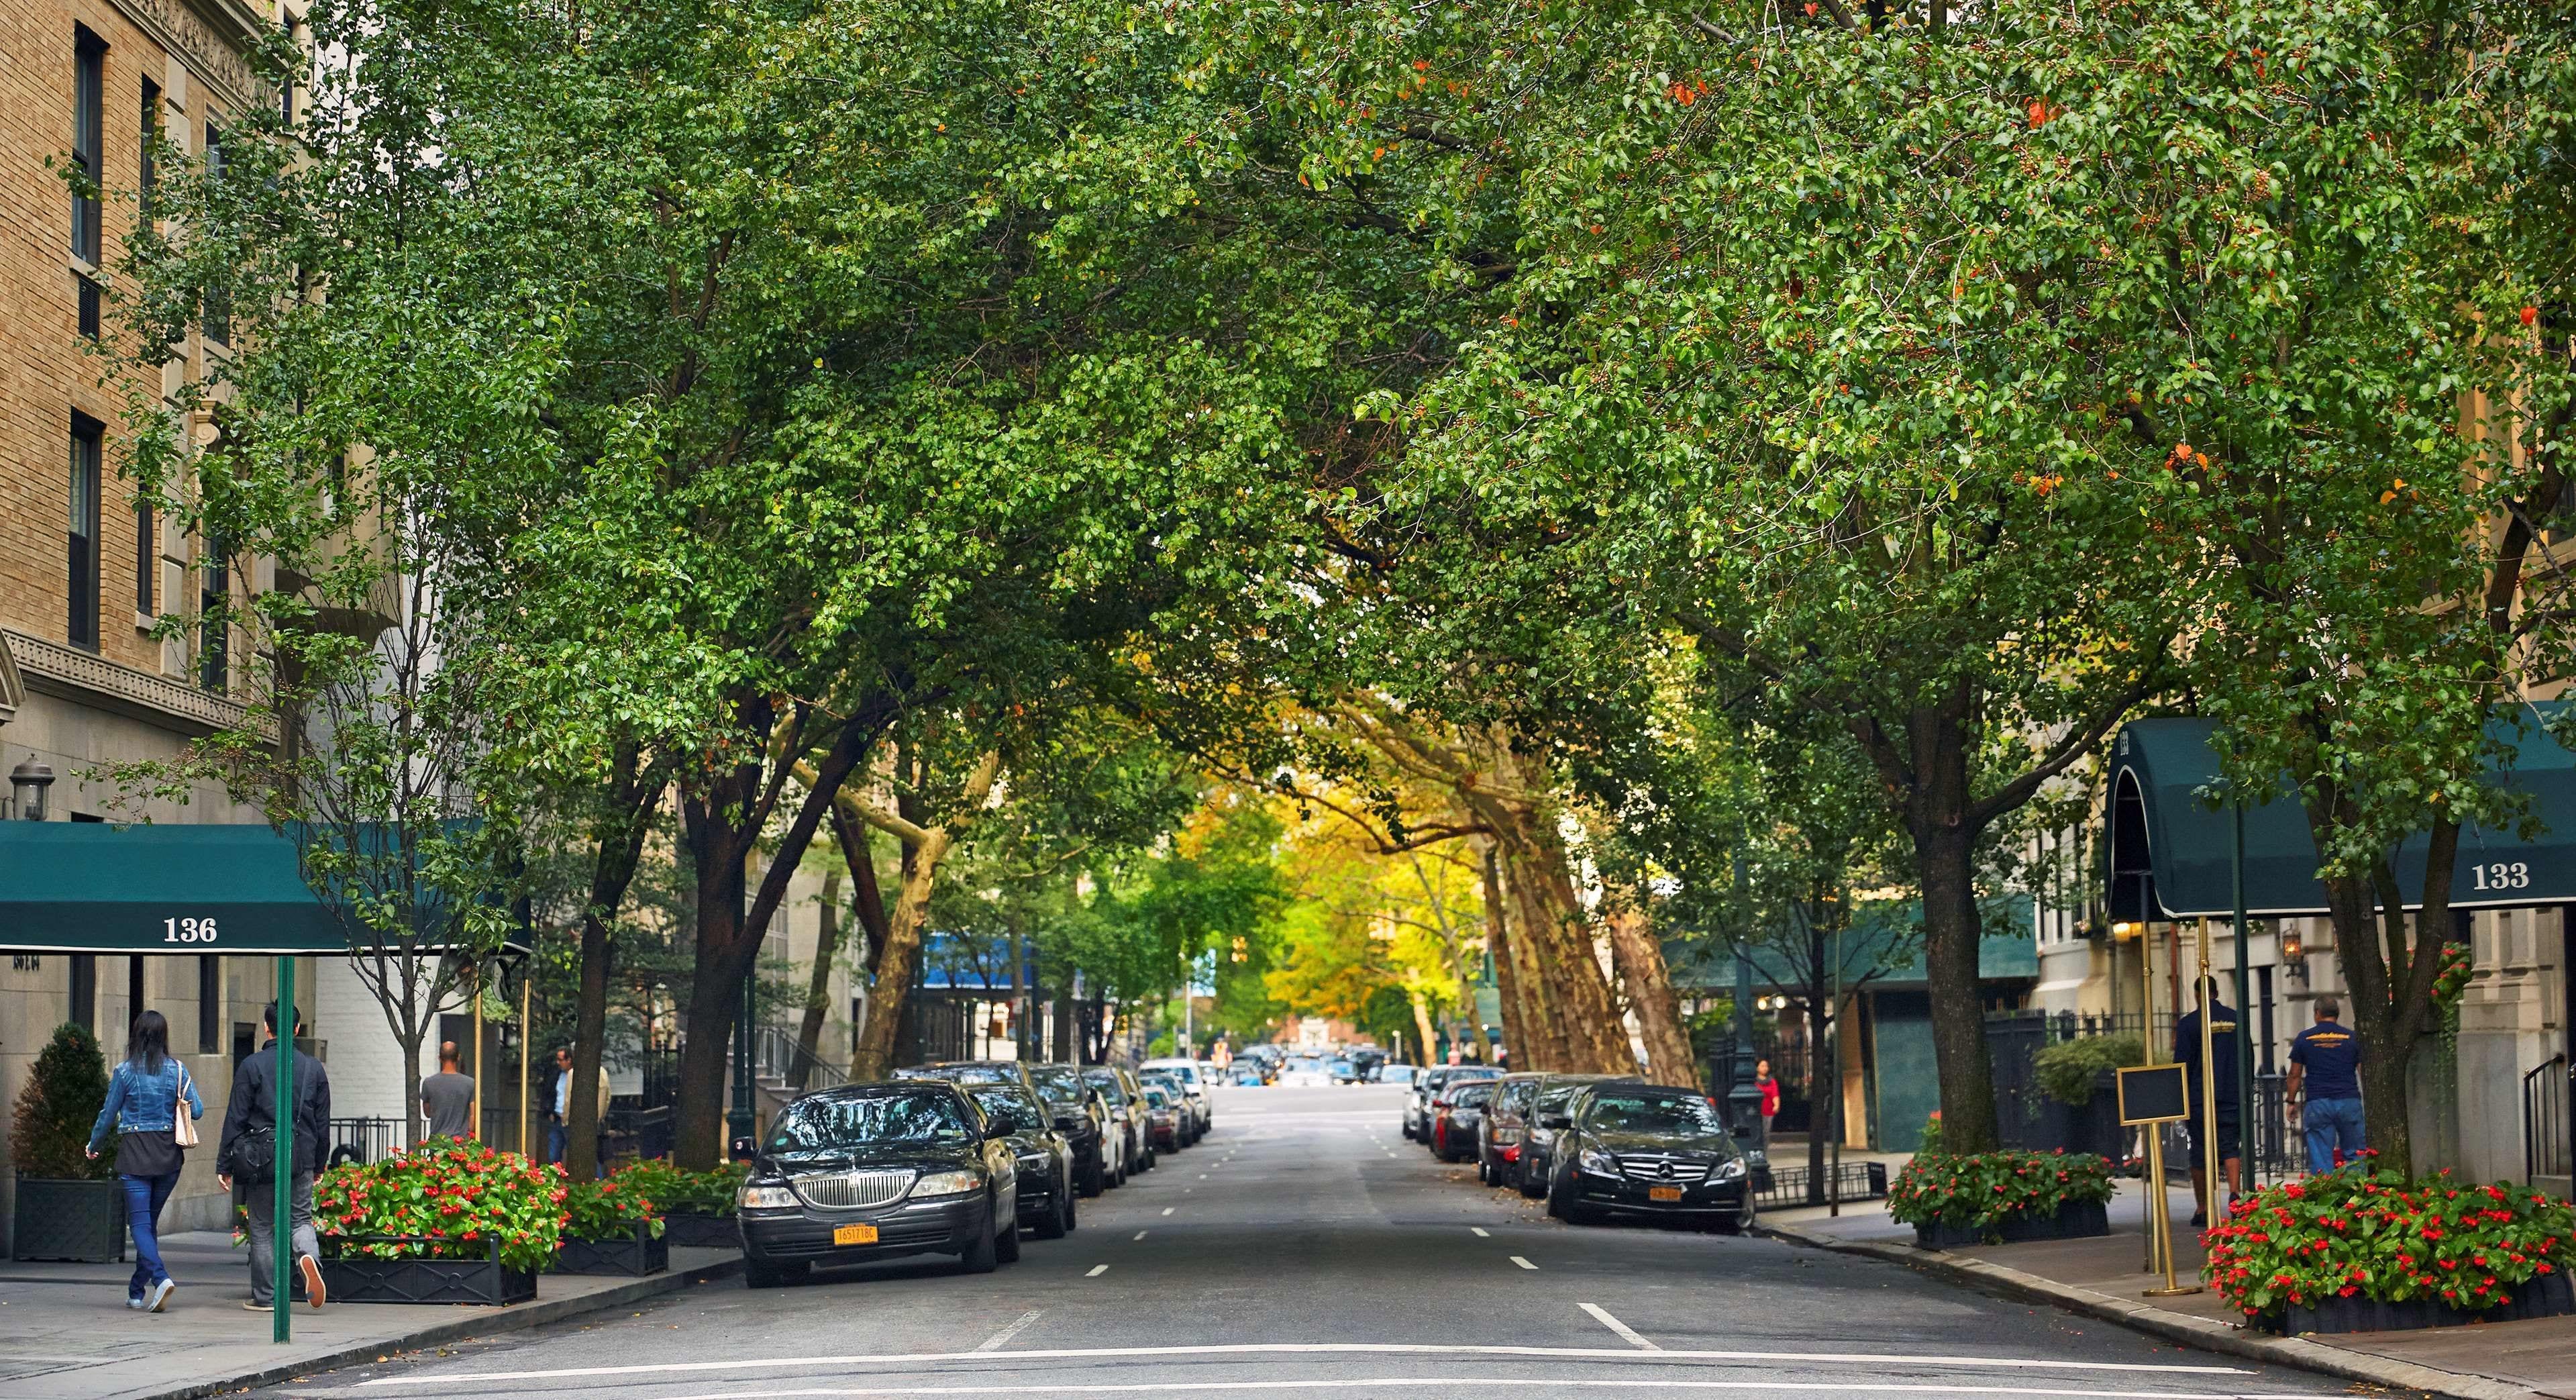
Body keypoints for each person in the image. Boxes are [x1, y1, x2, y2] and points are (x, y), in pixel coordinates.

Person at [85, 1010, 203, 1313]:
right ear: (164, 1036)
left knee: (138, 1223)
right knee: (147, 1223)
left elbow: (107, 1114)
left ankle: (161, 1278)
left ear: (136, 1036)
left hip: (135, 1154)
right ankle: (137, 1290)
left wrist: (93, 1144)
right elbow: (198, 1110)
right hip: (168, 1157)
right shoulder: (178, 1070)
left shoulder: (124, 1072)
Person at [218, 1002, 331, 1311]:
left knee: (263, 1227)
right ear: (296, 1029)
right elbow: (323, 1122)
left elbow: (236, 1117)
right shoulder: (313, 1068)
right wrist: (319, 1163)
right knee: (300, 1220)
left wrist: (224, 1163)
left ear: (267, 1028)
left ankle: (265, 1297)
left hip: (260, 1160)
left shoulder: (251, 1066)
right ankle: (307, 1256)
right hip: (302, 1157)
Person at [2173, 977, 2243, 1228]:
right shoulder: (2236, 1018)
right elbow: (2247, 1054)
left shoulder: (2189, 1024)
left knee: (2200, 1154)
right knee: (2231, 1147)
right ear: (2217, 992)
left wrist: (2179, 1100)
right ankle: (2235, 1196)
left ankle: (2203, 1207)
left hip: (2200, 1097)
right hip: (2231, 1094)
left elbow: (2181, 1064)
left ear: (2196, 994)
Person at [2287, 997, 2365, 1173]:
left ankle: (2325, 1195)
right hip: (2348, 1100)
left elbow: (2294, 1074)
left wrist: (2291, 1102)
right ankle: (2357, 1195)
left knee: (2321, 1156)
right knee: (2355, 1154)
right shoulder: (2352, 1038)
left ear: (2317, 1014)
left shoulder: (2304, 1038)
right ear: (2336, 1014)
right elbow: (2364, 1071)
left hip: (2318, 1102)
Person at [419, 1042, 476, 1140]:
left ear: (440, 1058)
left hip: (437, 1142)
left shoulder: (429, 1083)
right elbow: (473, 1114)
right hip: (460, 1141)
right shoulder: (470, 1083)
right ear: (458, 1057)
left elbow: (427, 1113)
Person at [546, 1046, 572, 1164]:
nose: (558, 1063)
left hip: (571, 1120)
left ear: (569, 1060)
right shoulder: (557, 1075)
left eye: (561, 1060)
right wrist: (550, 1111)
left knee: (576, 1153)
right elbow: (550, 1093)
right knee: (554, 1155)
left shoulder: (575, 1076)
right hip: (557, 1118)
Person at [1753, 1058, 1781, 1150]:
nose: (1765, 1068)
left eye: (1766, 1066)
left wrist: (1776, 1105)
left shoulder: (1771, 1081)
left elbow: (1775, 1094)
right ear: (1757, 1068)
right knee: (1756, 1133)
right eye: (1762, 1066)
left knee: (1765, 1133)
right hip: (1756, 1111)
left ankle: (1764, 1152)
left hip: (1768, 1111)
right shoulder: (1754, 1081)